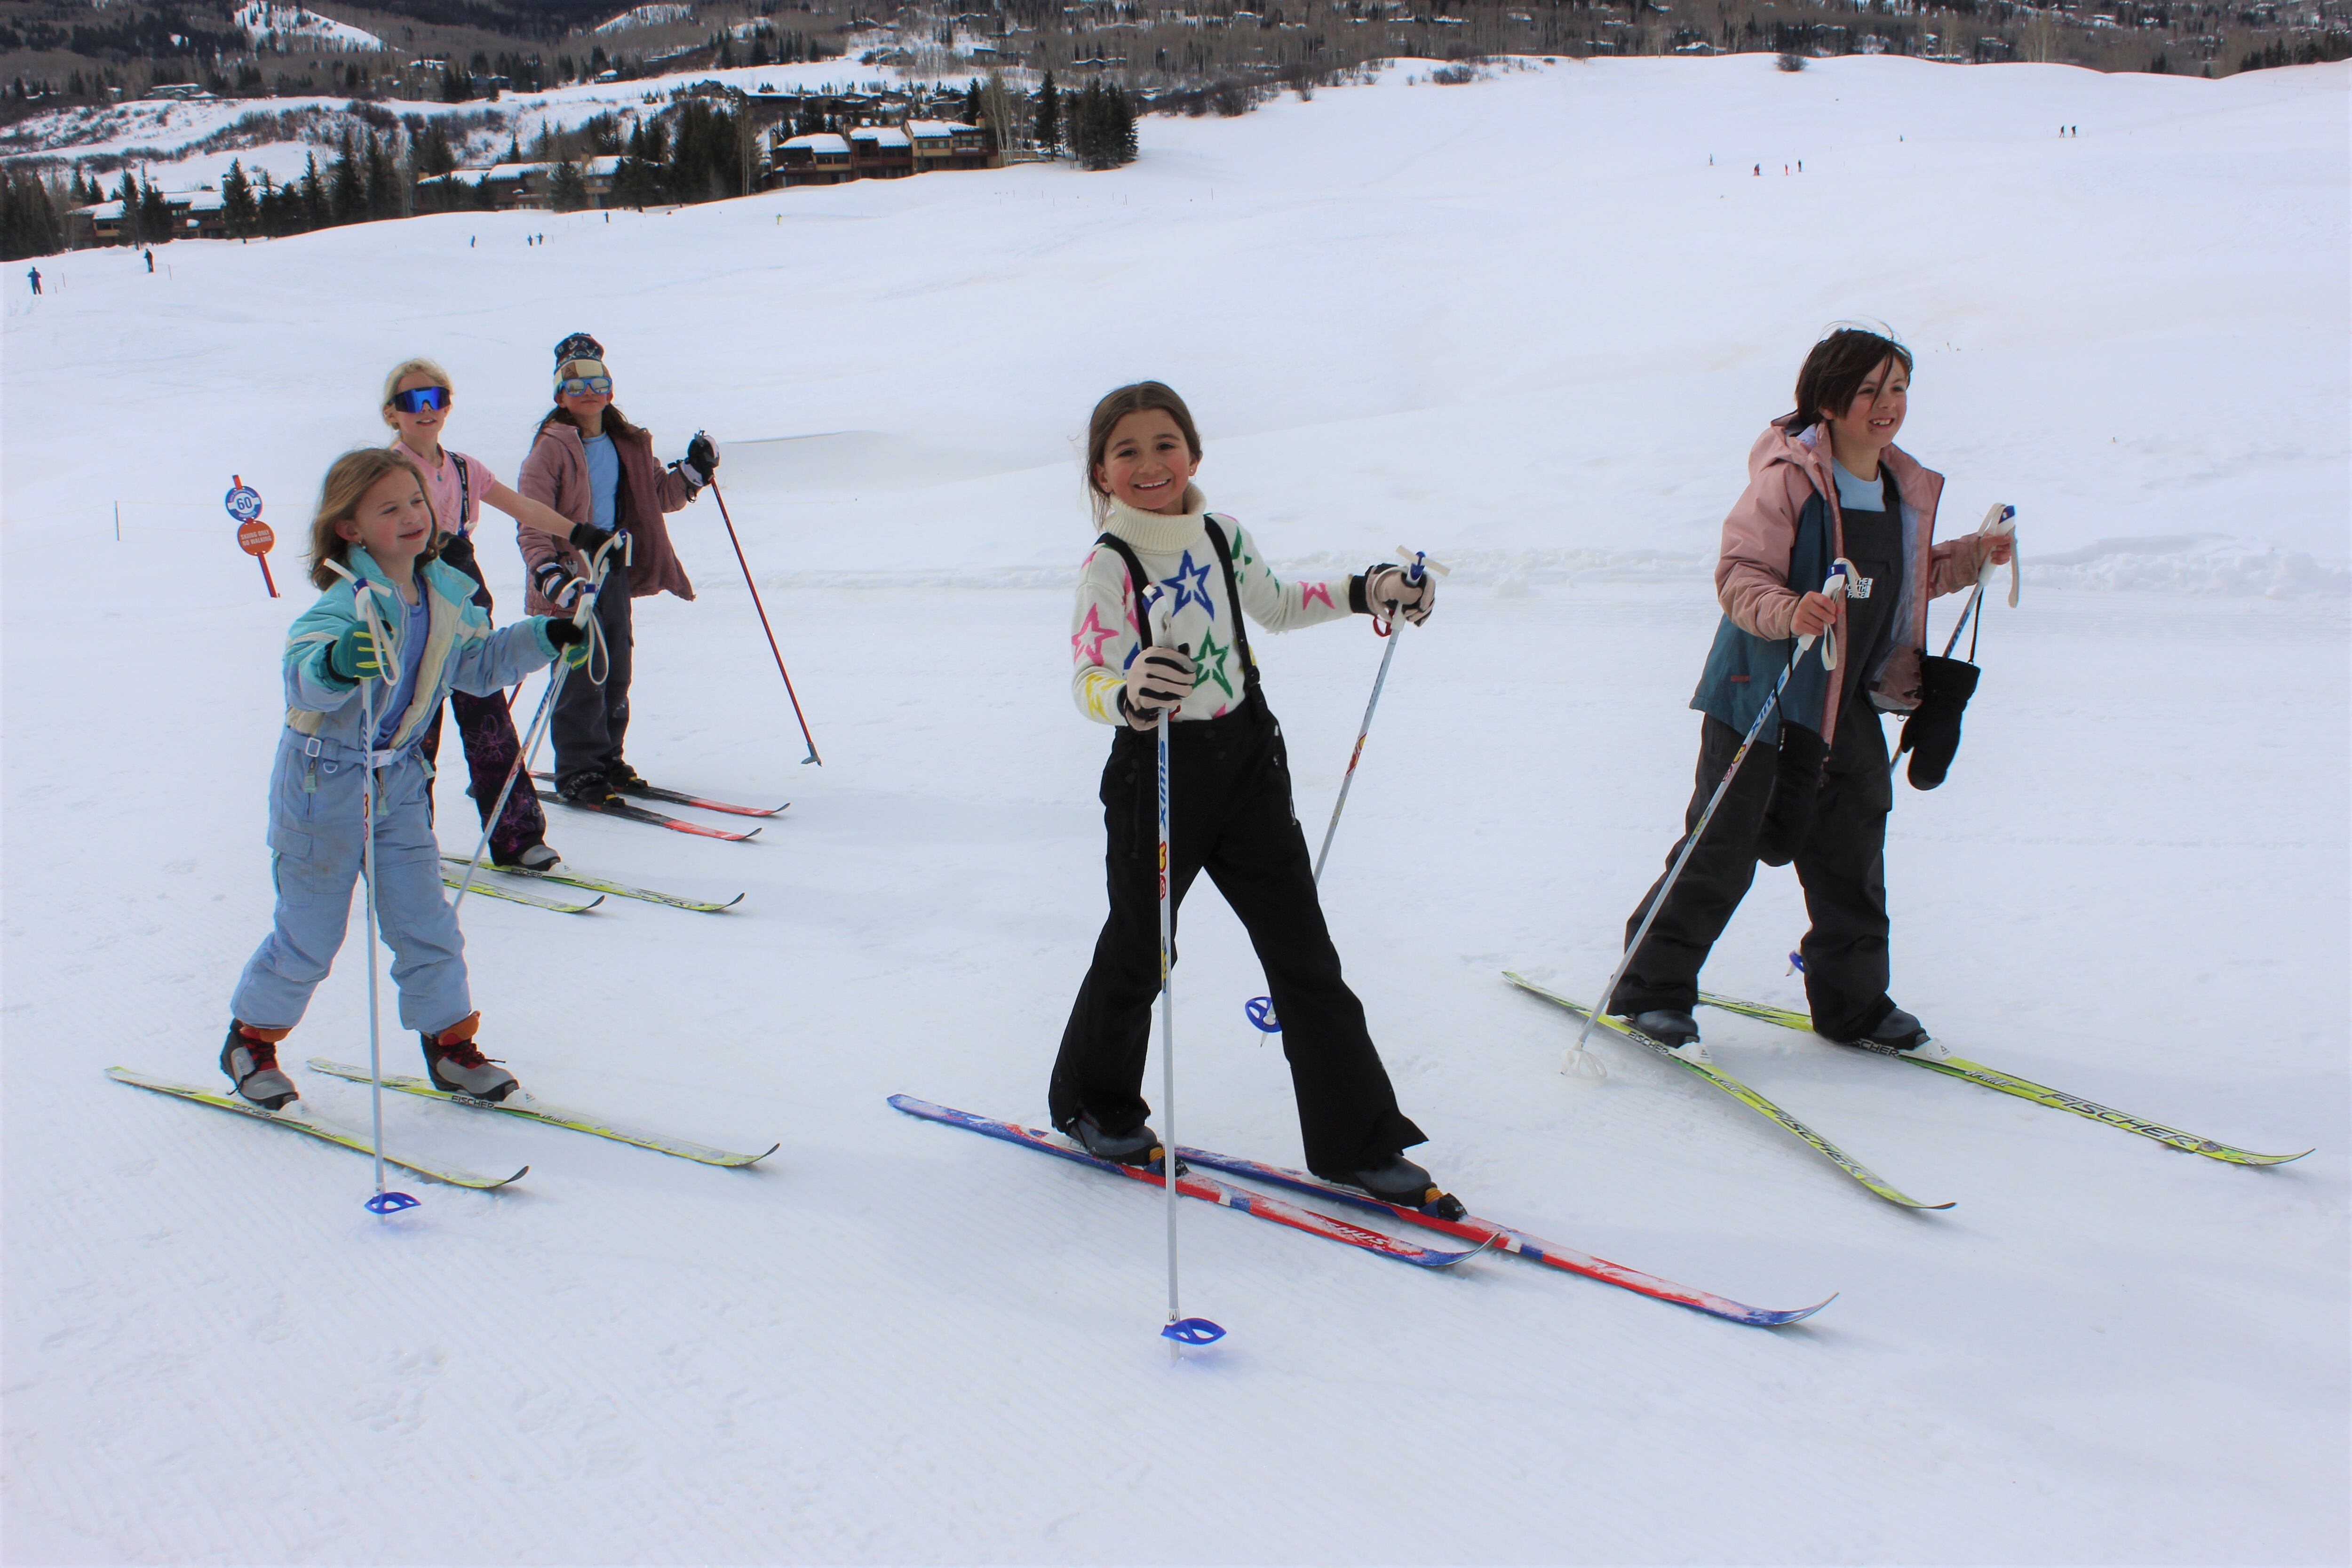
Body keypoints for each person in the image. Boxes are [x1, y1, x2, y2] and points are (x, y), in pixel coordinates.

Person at [1050, 380, 1460, 1215]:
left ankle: (1359, 1143)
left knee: (1306, 955)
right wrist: (1129, 690)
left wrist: (1368, 589)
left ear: (1193, 454)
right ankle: (1095, 1103)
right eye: (1126, 450)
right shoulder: (1110, 563)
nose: (1149, 463)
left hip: (1247, 764)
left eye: (1165, 443)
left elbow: (1274, 604)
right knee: (1141, 949)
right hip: (1157, 772)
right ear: (1101, 470)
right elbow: (1087, 676)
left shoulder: (1221, 535)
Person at [1605, 327, 2016, 1063]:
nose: (1888, 406)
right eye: (1869, 390)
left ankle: (1853, 1003)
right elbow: (1740, 576)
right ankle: (1651, 988)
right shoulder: (1788, 480)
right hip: (1759, 698)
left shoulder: (1899, 487)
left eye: (1898, 389)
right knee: (1722, 848)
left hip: (1844, 701)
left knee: (1852, 850)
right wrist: (1790, 611)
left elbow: (1902, 580)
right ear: (1828, 399)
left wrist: (1971, 558)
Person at [220, 448, 589, 1110]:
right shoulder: (345, 605)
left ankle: (450, 1046)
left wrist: (544, 635)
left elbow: (476, 666)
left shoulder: (445, 592)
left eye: (416, 501)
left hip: (399, 788)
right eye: (389, 508)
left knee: (427, 925)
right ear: (350, 529)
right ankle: (252, 1039)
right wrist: (337, 664)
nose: (412, 516)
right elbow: (301, 673)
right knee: (311, 934)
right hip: (320, 789)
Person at [380, 356, 586, 870]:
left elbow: (524, 508)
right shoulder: (385, 472)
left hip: (466, 599)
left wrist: (578, 533)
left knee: (487, 717)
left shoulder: (465, 470)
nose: (427, 410)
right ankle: (402, 842)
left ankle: (515, 836)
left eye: (436, 399)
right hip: (410, 601)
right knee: (412, 727)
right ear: (393, 413)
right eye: (413, 402)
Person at [515, 331, 719, 807]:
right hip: (569, 578)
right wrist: (548, 574)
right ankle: (578, 770)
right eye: (575, 383)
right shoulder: (549, 449)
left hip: (612, 569)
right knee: (580, 670)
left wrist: (693, 473)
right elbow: (531, 520)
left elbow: (658, 496)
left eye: (597, 380)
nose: (588, 392)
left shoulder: (626, 443)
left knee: (617, 667)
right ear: (559, 394)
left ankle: (607, 757)